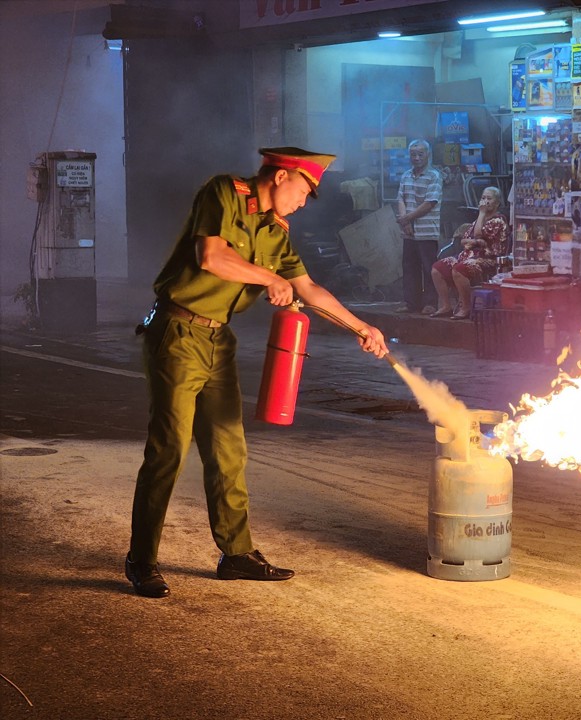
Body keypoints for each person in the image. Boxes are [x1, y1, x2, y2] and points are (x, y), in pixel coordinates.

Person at [125, 147, 388, 599]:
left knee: (229, 449)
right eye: (305, 191)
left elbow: (308, 289)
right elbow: (211, 256)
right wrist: (268, 280)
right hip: (177, 332)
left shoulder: (275, 234)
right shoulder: (225, 192)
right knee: (169, 449)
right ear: (282, 176)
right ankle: (141, 560)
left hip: (217, 340)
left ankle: (236, 554)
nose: (304, 203)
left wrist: (361, 327)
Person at [429, 186, 510, 319]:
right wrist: (476, 242)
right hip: (467, 255)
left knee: (459, 270)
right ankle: (445, 306)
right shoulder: (477, 221)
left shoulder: (498, 220)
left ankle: (465, 307)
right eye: (483, 198)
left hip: (488, 259)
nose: (485, 201)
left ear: (497, 203)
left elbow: (478, 234)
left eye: (489, 198)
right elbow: (464, 240)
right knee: (437, 268)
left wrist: (481, 214)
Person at [396, 139, 442, 314]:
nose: (416, 158)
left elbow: (429, 203)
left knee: (428, 267)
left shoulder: (434, 176)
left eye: (420, 154)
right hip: (408, 232)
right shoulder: (406, 175)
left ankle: (430, 302)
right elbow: (401, 198)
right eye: (413, 154)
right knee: (409, 267)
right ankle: (411, 303)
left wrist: (407, 218)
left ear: (428, 155)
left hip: (427, 231)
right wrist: (405, 221)